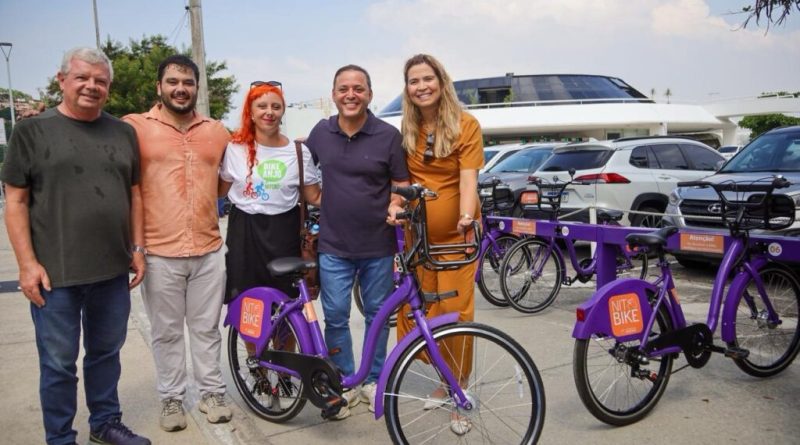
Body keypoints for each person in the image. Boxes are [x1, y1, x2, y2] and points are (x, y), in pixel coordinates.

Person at [1, 47, 150, 445]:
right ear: (61, 80)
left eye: (100, 80)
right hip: (55, 274)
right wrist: (27, 264)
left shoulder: (123, 132)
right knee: (58, 364)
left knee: (106, 354)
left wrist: (138, 248)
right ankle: (60, 438)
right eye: (82, 77)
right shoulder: (32, 131)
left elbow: (134, 193)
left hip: (111, 271)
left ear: (109, 87)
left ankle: (105, 423)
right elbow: (14, 201)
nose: (92, 86)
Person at [122, 54, 232, 432]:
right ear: (159, 87)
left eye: (187, 83)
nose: (180, 89)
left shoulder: (218, 131)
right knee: (166, 331)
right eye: (173, 82)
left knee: (206, 329)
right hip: (158, 253)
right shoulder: (134, 128)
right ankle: (171, 398)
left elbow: (224, 182)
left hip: (208, 249)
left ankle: (211, 392)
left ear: (197, 88)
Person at [305, 64, 410, 418]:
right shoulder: (320, 132)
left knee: (378, 316)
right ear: (334, 93)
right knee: (335, 317)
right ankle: (345, 380)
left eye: (358, 89)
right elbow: (307, 179)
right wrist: (327, 200)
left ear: (369, 94)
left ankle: (373, 379)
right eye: (344, 88)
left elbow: (400, 184)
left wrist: (395, 205)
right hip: (333, 246)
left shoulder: (387, 135)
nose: (351, 94)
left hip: (378, 246)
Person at [392, 53, 484, 436]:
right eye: (414, 81)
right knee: (420, 314)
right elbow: (401, 180)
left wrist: (465, 214)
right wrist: (395, 205)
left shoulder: (466, 124)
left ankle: (459, 393)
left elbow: (467, 179)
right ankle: (443, 380)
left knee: (456, 314)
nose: (421, 86)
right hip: (419, 240)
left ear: (442, 82)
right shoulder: (407, 128)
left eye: (428, 78)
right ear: (407, 88)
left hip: (457, 240)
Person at [219, 80, 321, 302]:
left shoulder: (298, 151)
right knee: (249, 306)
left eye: (276, 107)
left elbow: (314, 197)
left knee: (288, 303)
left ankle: (286, 337)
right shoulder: (234, 149)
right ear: (251, 113)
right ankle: (255, 340)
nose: (269, 112)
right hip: (244, 232)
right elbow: (218, 191)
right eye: (262, 106)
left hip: (286, 232)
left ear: (283, 111)